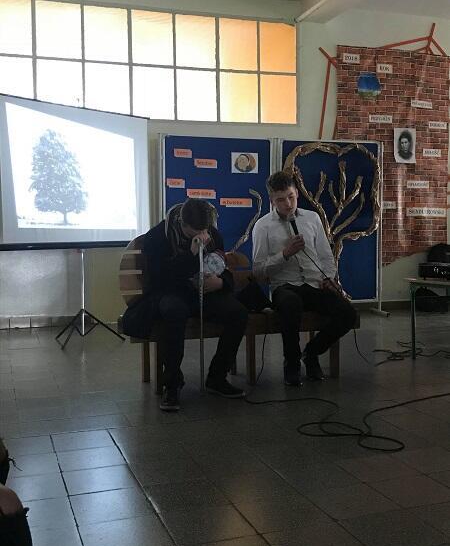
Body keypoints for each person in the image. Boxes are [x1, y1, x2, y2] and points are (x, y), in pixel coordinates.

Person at [122, 198, 248, 411]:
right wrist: (191, 254)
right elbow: (159, 279)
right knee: (173, 312)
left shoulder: (212, 233)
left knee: (238, 313)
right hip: (170, 292)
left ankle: (217, 377)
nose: (202, 235)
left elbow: (221, 265)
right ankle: (172, 383)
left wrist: (220, 283)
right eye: (195, 232)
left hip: (204, 292)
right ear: (182, 223)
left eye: (205, 230)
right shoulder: (158, 237)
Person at [252, 172, 357, 385]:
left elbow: (325, 256)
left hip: (313, 284)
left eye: (291, 197)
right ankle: (291, 363)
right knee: (291, 304)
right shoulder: (263, 226)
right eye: (280, 200)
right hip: (284, 287)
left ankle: (311, 353)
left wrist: (328, 278)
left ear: (297, 193)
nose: (287, 204)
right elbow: (259, 272)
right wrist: (285, 254)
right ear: (272, 200)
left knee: (348, 313)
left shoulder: (312, 218)